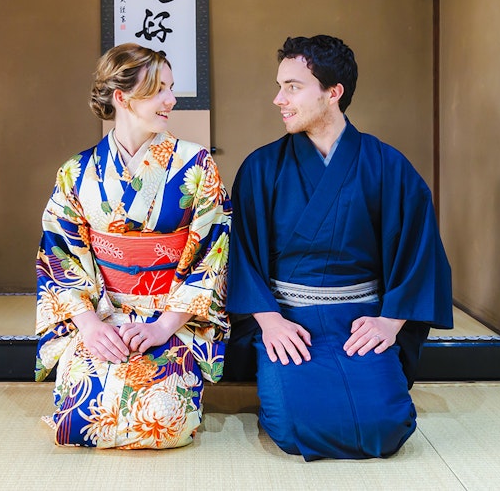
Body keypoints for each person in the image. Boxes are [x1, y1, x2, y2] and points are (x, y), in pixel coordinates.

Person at [226, 35, 453, 461]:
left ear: (333, 93)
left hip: (361, 321)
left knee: (387, 429)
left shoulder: (388, 166)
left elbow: (421, 251)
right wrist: (270, 321)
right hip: (287, 320)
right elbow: (241, 255)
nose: (278, 99)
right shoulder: (260, 167)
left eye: (293, 87)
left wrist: (390, 322)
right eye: (279, 86)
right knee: (294, 428)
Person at [35, 43, 230, 450]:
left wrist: (162, 326)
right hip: (103, 313)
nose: (171, 100)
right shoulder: (77, 171)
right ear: (122, 97)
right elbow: (59, 254)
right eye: (159, 89)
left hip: (170, 315)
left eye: (171, 88)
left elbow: (213, 252)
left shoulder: (197, 165)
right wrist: (88, 326)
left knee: (162, 421)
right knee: (77, 425)